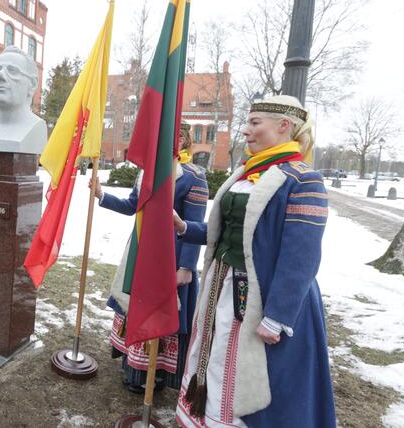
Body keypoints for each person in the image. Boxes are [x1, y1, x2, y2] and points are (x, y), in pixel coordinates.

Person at [173, 95, 335, 427]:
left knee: (253, 374)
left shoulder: (304, 181)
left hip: (266, 298)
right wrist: (185, 227)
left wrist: (278, 315)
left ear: (284, 126)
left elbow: (301, 256)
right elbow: (230, 232)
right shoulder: (246, 173)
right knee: (214, 357)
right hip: (222, 285)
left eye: (254, 123)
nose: (245, 131)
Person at [92, 125, 208, 394]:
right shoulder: (146, 170)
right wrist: (102, 195)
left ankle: (155, 374)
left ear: (183, 142)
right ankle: (134, 367)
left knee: (162, 314)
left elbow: (194, 223)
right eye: (167, 134)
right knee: (137, 306)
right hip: (140, 251)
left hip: (172, 257)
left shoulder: (194, 177)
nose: (171, 140)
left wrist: (187, 267)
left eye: (177, 136)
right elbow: (133, 206)